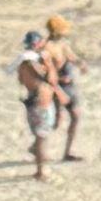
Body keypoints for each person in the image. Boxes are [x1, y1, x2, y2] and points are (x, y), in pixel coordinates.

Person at [16, 29, 60, 182]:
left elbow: (21, 81)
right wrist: (49, 64)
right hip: (41, 103)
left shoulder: (23, 63)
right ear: (37, 44)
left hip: (33, 101)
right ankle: (41, 172)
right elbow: (51, 79)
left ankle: (39, 161)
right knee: (42, 137)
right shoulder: (33, 62)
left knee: (40, 135)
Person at [40, 12, 84, 161]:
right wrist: (59, 79)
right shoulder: (46, 48)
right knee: (56, 122)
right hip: (56, 87)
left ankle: (67, 152)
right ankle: (37, 145)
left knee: (75, 116)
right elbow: (43, 72)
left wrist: (81, 64)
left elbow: (71, 56)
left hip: (69, 85)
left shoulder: (62, 43)